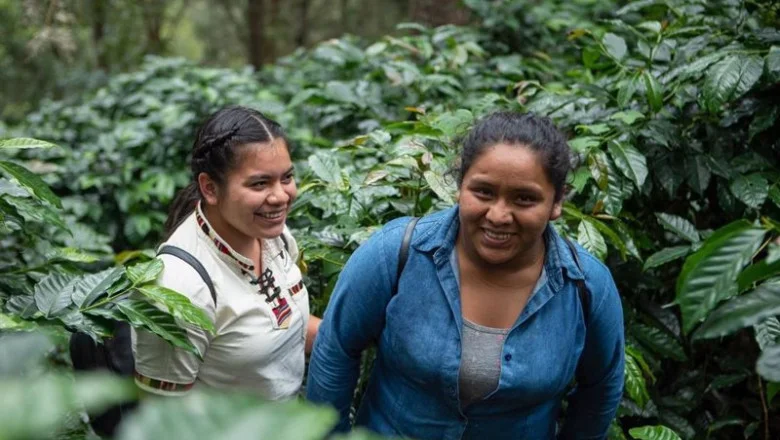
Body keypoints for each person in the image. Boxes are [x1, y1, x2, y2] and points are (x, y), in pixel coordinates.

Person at [306, 111, 625, 439]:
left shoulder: (587, 287)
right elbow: (337, 347)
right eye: (484, 192)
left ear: (556, 202)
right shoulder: (395, 253)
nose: (499, 215)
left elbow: (600, 390)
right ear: (460, 187)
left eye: (525, 199)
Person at [132, 105, 321, 398]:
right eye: (260, 183)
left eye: (286, 177)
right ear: (209, 188)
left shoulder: (273, 235)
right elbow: (162, 419)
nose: (281, 196)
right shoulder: (179, 289)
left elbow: (282, 322)